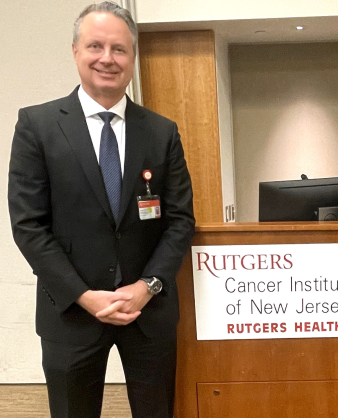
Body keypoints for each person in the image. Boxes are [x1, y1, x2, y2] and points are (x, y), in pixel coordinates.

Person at [7, 2, 195, 417]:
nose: (107, 59)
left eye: (119, 49)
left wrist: (148, 286)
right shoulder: (37, 127)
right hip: (71, 312)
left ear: (132, 57)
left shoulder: (162, 132)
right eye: (95, 46)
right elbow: (29, 226)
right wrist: (84, 296)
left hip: (148, 311)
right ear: (75, 51)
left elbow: (180, 220)